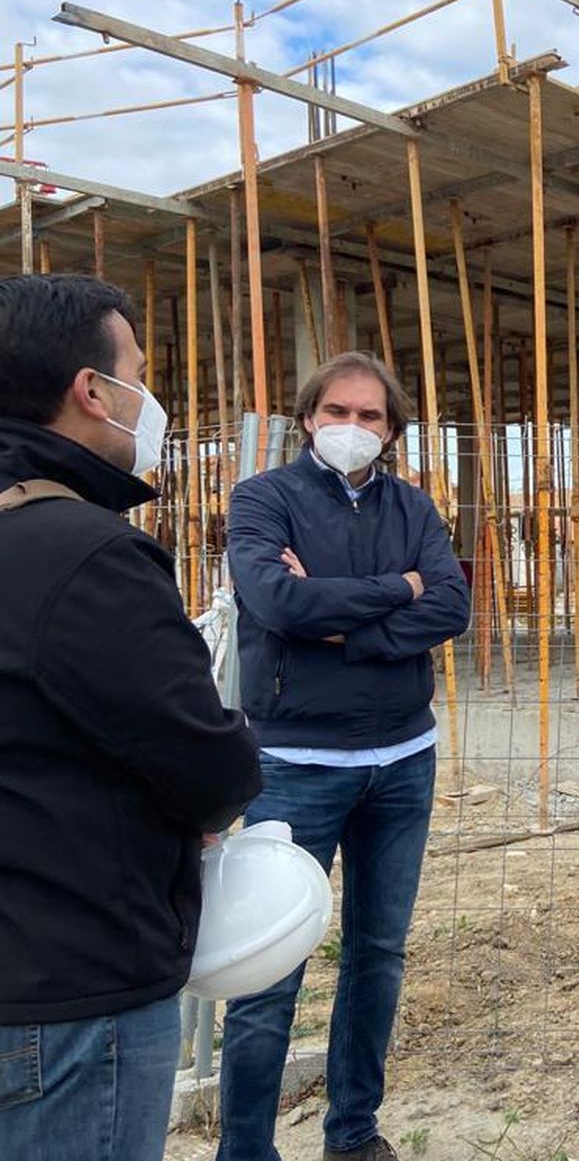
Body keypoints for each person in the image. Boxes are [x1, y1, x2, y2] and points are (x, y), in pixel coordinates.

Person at [0, 274, 261, 1161]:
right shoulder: (86, 554)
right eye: (139, 375)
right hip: (75, 990)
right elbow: (208, 762)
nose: (148, 399)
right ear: (92, 391)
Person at [218, 352, 470, 1161]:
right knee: (268, 968)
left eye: (370, 416)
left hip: (403, 759)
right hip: (295, 763)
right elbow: (277, 601)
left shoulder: (412, 505)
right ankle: (246, 1149)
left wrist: (340, 626)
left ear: (391, 431)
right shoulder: (263, 498)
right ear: (307, 418)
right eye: (337, 411)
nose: (352, 427)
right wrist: (400, 588)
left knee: (378, 954)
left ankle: (354, 1134)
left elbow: (453, 605)